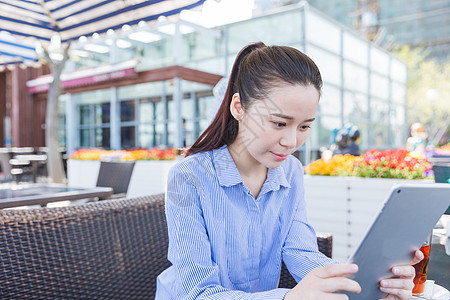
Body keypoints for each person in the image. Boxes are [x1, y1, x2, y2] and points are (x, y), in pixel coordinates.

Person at [156, 42, 422, 299]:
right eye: (280, 123)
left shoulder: (290, 171)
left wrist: (365, 285)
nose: (291, 142)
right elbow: (196, 292)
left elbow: (301, 251)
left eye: (304, 126)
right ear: (239, 108)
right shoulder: (188, 176)